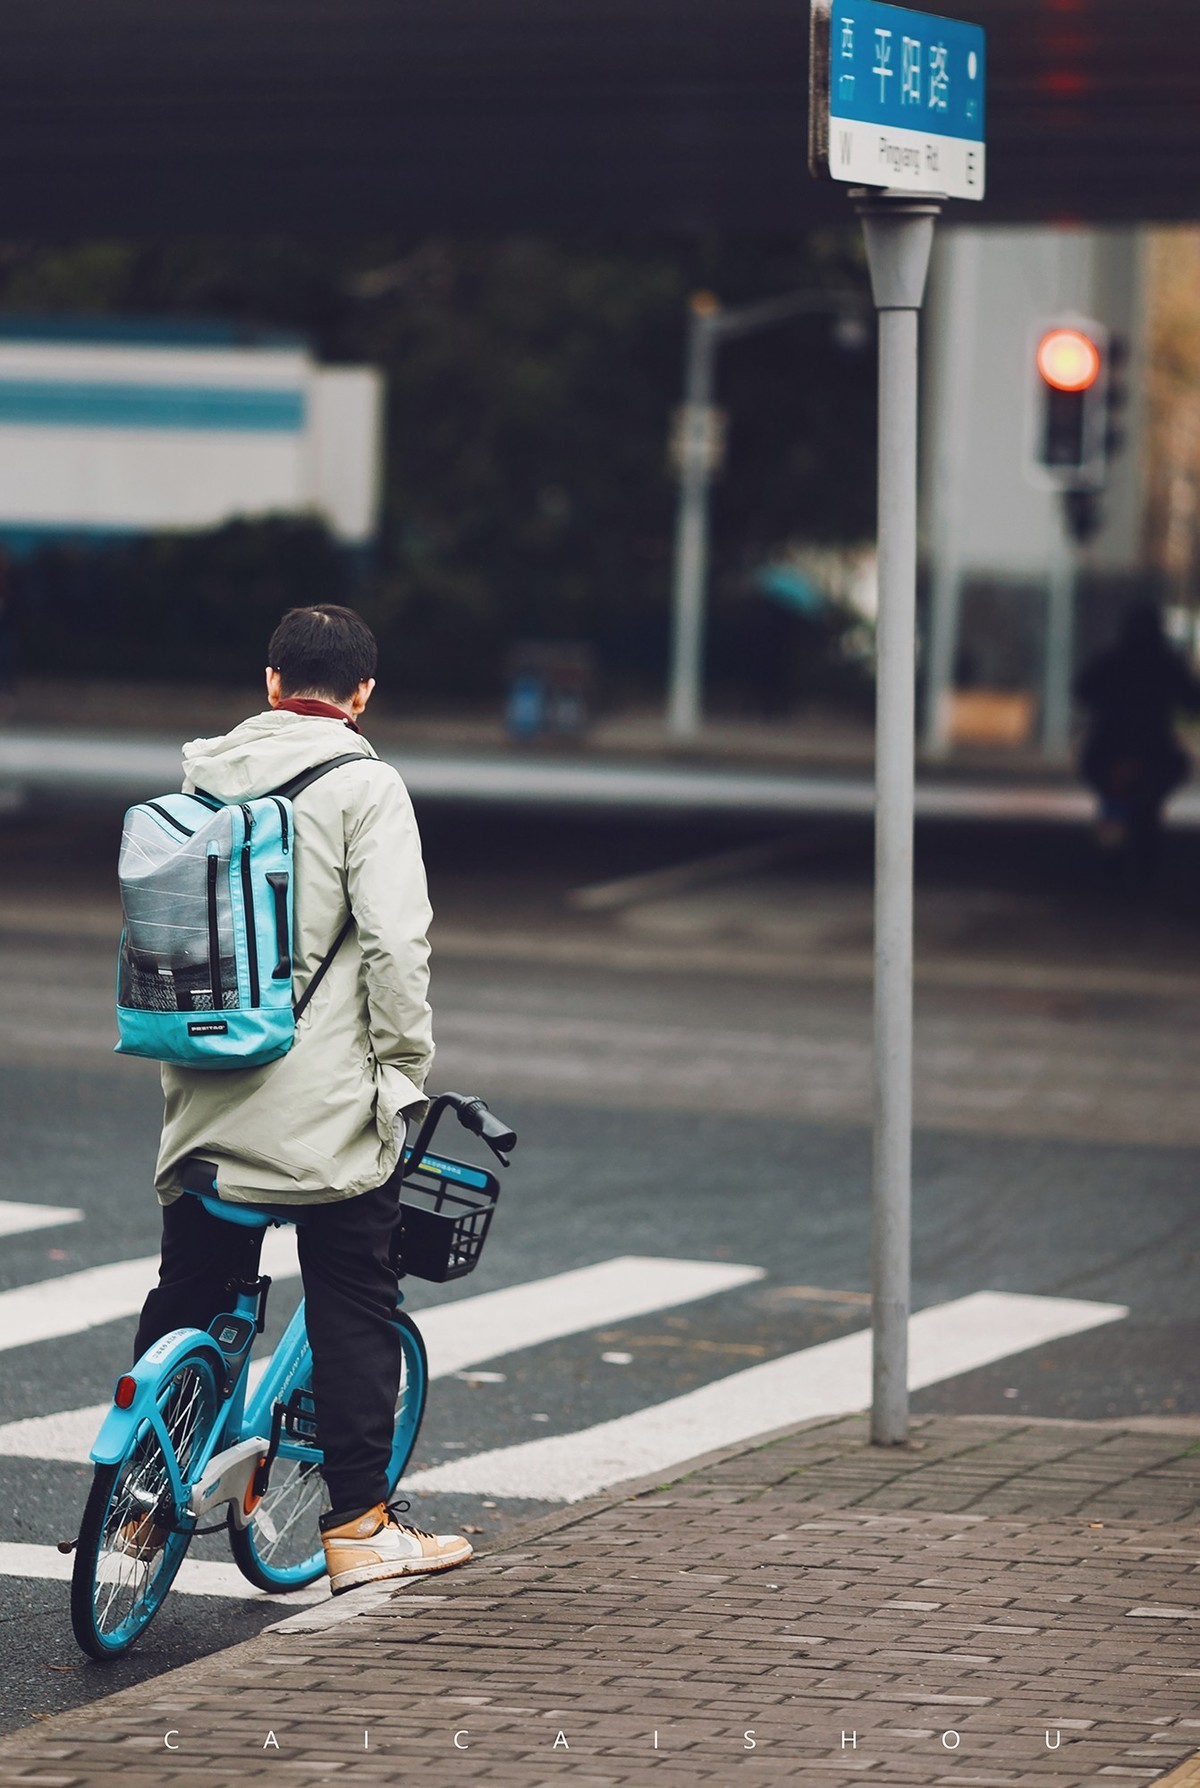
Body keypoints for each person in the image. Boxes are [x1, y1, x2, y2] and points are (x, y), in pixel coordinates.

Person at [132, 604, 472, 1590]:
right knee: (355, 1295)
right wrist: (402, 1075)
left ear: (273, 682)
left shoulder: (202, 773)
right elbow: (397, 951)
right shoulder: (368, 785)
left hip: (203, 1090)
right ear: (362, 696)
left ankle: (148, 1488)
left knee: (193, 1288)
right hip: (324, 1109)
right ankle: (361, 1524)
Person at [1075, 601, 1200, 883]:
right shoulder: (1166, 664)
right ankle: (1139, 860)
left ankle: (1114, 858)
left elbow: (1082, 691)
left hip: (1112, 749)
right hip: (1151, 751)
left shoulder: (1112, 661)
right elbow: (1192, 700)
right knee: (1143, 803)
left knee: (1115, 802)